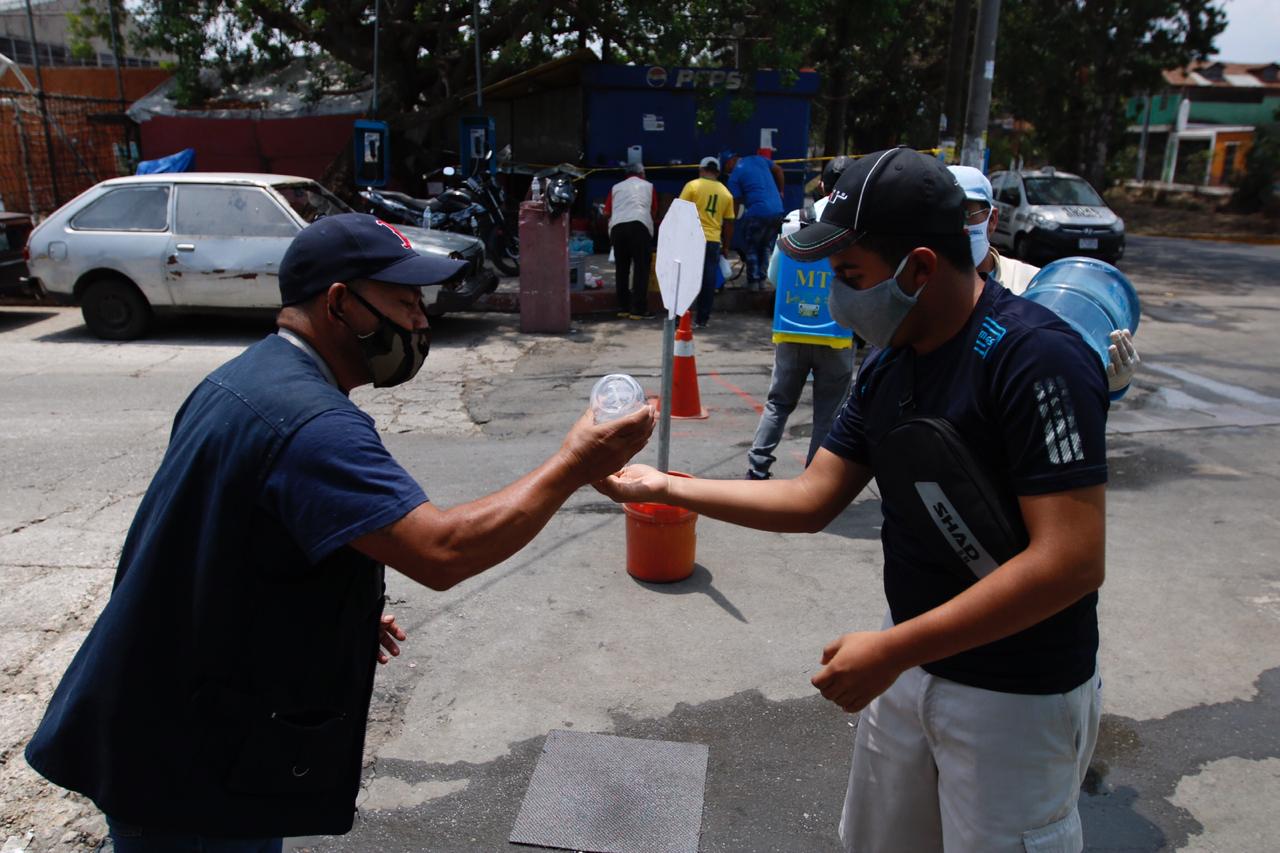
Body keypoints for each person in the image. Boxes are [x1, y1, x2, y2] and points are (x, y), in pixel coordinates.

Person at [24, 213, 655, 852]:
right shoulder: (314, 424)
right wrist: (574, 465)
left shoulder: (250, 378)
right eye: (404, 302)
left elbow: (232, 535)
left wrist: (328, 605)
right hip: (185, 759)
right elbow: (442, 551)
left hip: (168, 717)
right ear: (338, 303)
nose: (419, 321)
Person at [598, 148, 1108, 853]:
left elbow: (1071, 560)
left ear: (920, 267)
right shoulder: (890, 362)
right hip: (909, 665)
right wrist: (664, 485)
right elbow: (813, 497)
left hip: (1016, 696)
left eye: (850, 276)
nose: (838, 296)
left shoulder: (1035, 359)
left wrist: (893, 648)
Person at [949, 164, 1140, 396]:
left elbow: (1069, 370)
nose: (955, 227)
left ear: (992, 220)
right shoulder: (918, 287)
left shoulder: (1034, 285)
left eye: (967, 214)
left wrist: (1112, 384)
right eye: (944, 216)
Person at [747, 156, 856, 481]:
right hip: (837, 334)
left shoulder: (798, 219)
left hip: (791, 329)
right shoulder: (857, 227)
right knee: (827, 413)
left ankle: (757, 468)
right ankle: (814, 479)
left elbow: (774, 276)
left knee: (778, 404)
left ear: (822, 186)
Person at [679, 156, 736, 328]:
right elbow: (729, 223)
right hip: (712, 241)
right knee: (708, 280)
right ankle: (702, 320)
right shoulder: (726, 193)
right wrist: (726, 246)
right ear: (718, 172)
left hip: (692, 238)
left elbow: (679, 212)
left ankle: (680, 318)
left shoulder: (692, 186)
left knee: (686, 277)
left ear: (701, 169)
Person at [723, 149, 786, 290]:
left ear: (730, 161)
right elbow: (779, 170)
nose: (727, 170)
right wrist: (781, 191)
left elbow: (735, 204)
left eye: (726, 167)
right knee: (765, 247)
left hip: (757, 213)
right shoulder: (759, 159)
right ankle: (762, 281)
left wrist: (730, 223)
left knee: (752, 247)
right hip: (777, 211)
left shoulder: (734, 176)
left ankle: (753, 283)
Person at [604, 161, 658, 319]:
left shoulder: (616, 187)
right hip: (639, 226)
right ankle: (638, 309)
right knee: (641, 268)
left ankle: (622, 307)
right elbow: (653, 211)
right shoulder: (649, 186)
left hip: (617, 228)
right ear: (641, 173)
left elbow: (607, 212)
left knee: (622, 268)